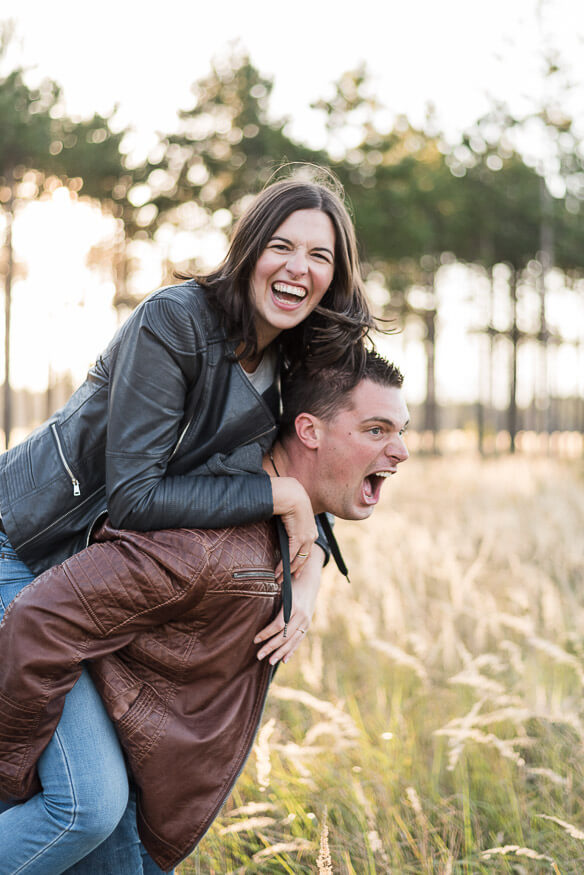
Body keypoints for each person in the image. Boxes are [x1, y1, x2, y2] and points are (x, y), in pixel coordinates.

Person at [0, 166, 376, 873]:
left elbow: (303, 465)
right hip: (19, 548)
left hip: (91, 583)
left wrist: (315, 557)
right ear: (249, 248)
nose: (300, 268)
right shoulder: (175, 321)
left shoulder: (292, 360)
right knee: (86, 803)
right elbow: (136, 497)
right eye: (283, 246)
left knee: (121, 814)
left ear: (337, 275)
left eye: (321, 255)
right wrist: (283, 502)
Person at [0, 351, 409, 873]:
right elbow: (39, 619)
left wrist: (312, 570)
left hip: (151, 801)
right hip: (122, 810)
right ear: (307, 430)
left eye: (401, 431)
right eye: (377, 430)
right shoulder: (206, 547)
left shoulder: (292, 521)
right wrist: (13, 782)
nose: (400, 451)